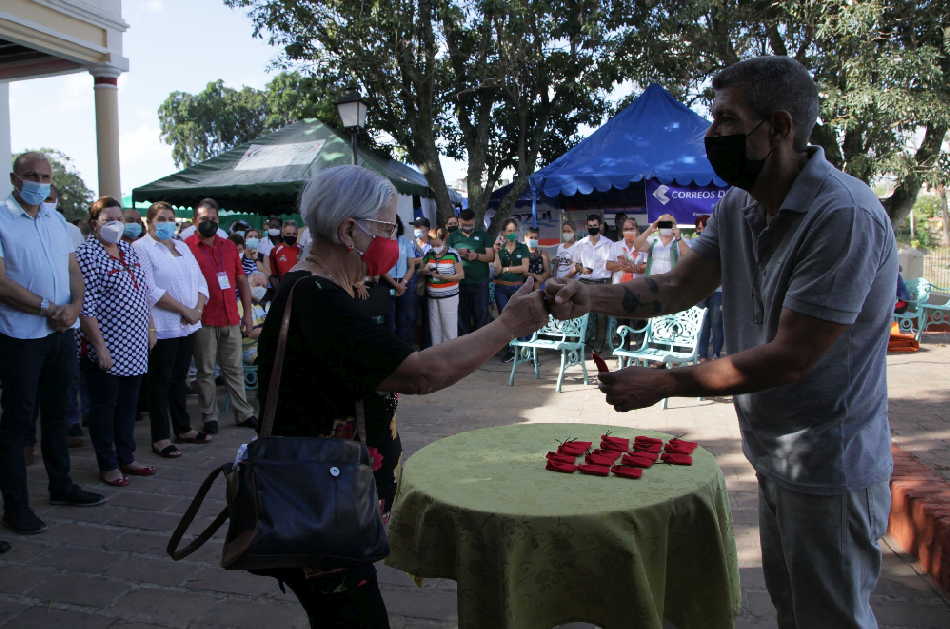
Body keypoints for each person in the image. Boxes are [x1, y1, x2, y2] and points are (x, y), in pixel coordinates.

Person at [546, 56, 896, 629]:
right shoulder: (740, 204)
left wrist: (665, 382)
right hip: (772, 449)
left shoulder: (843, 215)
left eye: (727, 120)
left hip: (829, 461)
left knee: (831, 617)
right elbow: (677, 285)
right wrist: (588, 295)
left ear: (780, 127)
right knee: (794, 610)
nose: (711, 135)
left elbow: (792, 357)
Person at [256, 164, 547, 628]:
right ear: (349, 230)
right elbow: (421, 374)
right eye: (387, 226)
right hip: (319, 513)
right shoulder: (316, 296)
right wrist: (509, 325)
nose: (394, 238)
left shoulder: (325, 289)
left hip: (331, 503)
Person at [0, 152, 105, 535]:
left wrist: (74, 306)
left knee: (59, 414)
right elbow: (1, 282)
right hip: (20, 336)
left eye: (45, 176)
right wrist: (47, 307)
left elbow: (72, 269)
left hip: (61, 333)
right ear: (15, 179)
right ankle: (16, 506)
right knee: (18, 423)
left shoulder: (55, 219)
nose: (39, 182)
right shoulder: (1, 219)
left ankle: (61, 484)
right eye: (32, 175)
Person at [76, 197, 156, 486]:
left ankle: (127, 457)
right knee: (104, 407)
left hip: (135, 343)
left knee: (128, 406)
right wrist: (99, 347)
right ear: (94, 222)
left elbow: (143, 292)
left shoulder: (128, 250)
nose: (115, 224)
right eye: (108, 219)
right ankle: (108, 464)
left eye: (118, 218)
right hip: (107, 345)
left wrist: (150, 328)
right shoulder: (87, 253)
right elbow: (86, 307)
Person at [133, 201, 211, 459]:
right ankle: (160, 436)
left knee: (180, 380)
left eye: (170, 218)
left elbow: (199, 279)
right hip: (163, 326)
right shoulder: (141, 248)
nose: (166, 223)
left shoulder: (181, 245)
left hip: (188, 325)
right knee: (160, 382)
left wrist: (197, 309)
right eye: (161, 218)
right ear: (150, 221)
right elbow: (149, 289)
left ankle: (183, 427)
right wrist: (184, 310)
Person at [185, 198, 258, 434]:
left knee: (234, 368)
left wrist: (247, 315)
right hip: (204, 320)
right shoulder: (186, 247)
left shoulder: (228, 246)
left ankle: (244, 413)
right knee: (206, 371)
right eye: (204, 219)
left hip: (230, 318)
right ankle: (210, 416)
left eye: (214, 219)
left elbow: (241, 280)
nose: (209, 223)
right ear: (195, 220)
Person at [447, 208, 494, 334]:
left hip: (480, 281)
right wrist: (457, 254)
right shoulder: (452, 237)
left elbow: (491, 256)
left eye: (470, 224)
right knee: (463, 315)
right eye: (464, 224)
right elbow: (446, 258)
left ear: (474, 221)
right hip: (461, 282)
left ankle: (482, 343)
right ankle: (465, 344)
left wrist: (476, 256)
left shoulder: (483, 235)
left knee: (482, 313)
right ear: (459, 221)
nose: (467, 227)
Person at [572, 214, 614, 352]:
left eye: (595, 226)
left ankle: (599, 344)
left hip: (603, 283)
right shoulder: (580, 244)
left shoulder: (609, 244)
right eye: (590, 226)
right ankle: (582, 342)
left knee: (601, 315)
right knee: (582, 314)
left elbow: (612, 266)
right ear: (586, 227)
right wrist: (581, 269)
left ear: (600, 226)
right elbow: (575, 264)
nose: (592, 228)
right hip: (585, 282)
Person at [420, 227, 464, 345]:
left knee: (449, 329)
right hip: (432, 296)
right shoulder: (429, 253)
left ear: (443, 239)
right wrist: (427, 270)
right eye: (430, 240)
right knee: (435, 329)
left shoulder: (453, 253)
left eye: (433, 239)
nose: (431, 242)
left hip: (449, 296)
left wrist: (443, 277)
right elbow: (421, 270)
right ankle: (437, 356)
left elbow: (461, 275)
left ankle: (451, 356)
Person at [690, 215, 724, 360]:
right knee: (703, 325)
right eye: (698, 228)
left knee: (717, 324)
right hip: (701, 291)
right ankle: (702, 355)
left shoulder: (722, 243)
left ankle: (716, 354)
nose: (702, 230)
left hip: (718, 290)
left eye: (704, 227)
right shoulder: (693, 242)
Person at [381, 216, 417, 344]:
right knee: (389, 319)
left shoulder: (405, 241)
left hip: (404, 282)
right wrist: (395, 285)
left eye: (393, 224)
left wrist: (403, 283)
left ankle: (406, 347)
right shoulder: (380, 242)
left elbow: (412, 266)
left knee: (405, 317)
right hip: (387, 283)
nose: (390, 227)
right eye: (387, 224)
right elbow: (381, 268)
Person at [411, 217, 433, 348]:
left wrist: (416, 261)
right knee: (413, 317)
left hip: (429, 286)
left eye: (419, 227)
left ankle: (427, 346)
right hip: (413, 286)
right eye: (415, 227)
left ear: (428, 229)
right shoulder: (410, 243)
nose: (417, 230)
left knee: (427, 317)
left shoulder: (433, 245)